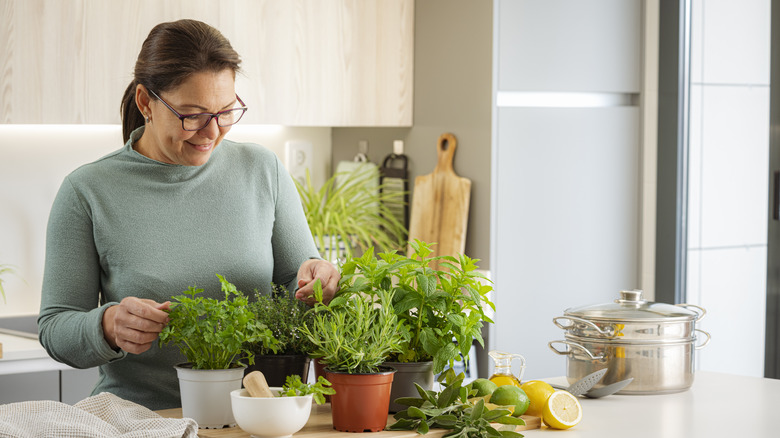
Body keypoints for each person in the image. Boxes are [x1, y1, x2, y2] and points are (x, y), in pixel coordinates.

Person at [37, 19, 339, 410]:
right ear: (146, 102)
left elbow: (295, 283)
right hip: (141, 419)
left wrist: (318, 279)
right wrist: (108, 325)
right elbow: (56, 326)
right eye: (192, 115)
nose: (211, 132)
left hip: (255, 415)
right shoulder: (87, 191)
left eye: (226, 111)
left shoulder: (262, 170)